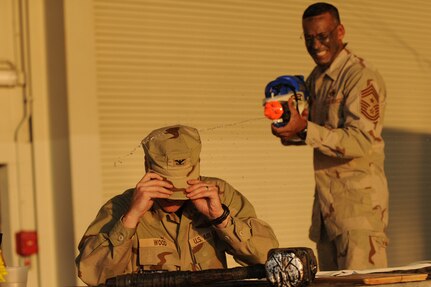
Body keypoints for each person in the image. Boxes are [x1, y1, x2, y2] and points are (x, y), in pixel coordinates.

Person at [75, 124, 279, 286]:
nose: (174, 196)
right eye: (167, 185)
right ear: (147, 166)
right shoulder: (121, 208)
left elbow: (268, 257)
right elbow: (91, 274)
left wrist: (220, 218)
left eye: (181, 185)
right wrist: (131, 219)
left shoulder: (218, 194)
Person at [271, 2, 389, 271]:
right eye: (309, 38)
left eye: (322, 36)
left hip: (359, 216)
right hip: (328, 213)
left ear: (340, 32)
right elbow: (313, 131)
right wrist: (288, 128)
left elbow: (360, 142)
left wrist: (304, 129)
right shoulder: (316, 78)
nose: (315, 44)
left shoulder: (360, 76)